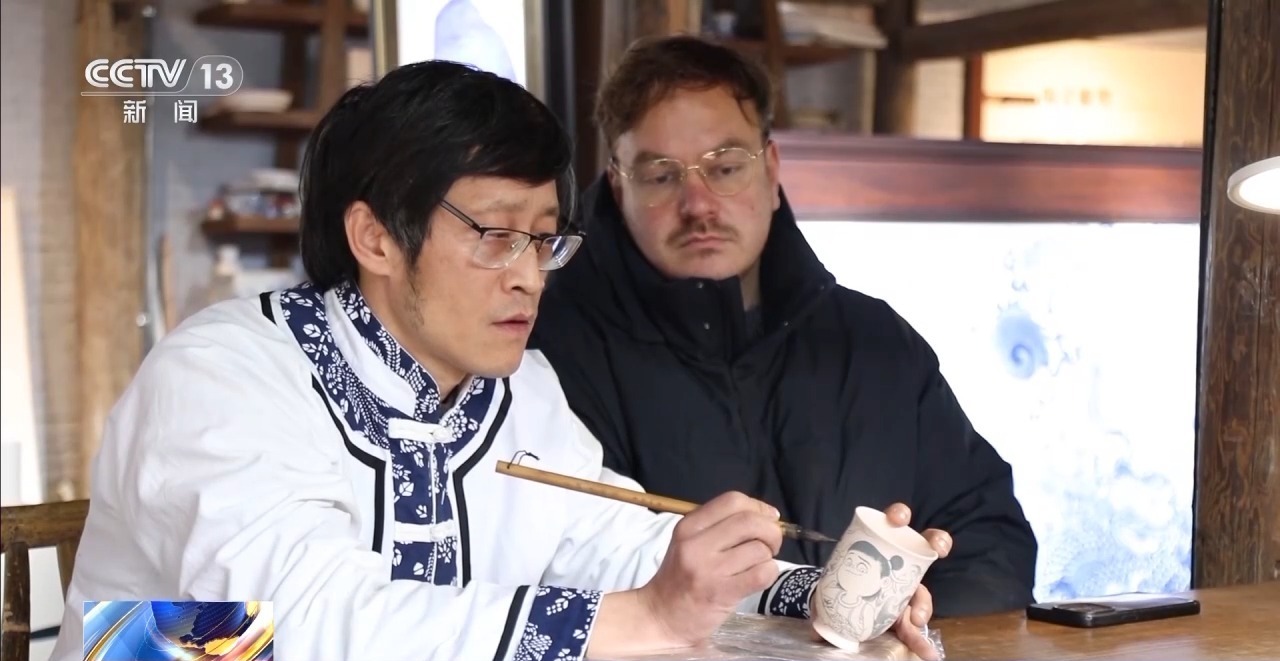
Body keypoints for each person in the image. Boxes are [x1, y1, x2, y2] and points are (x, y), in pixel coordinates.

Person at [50, 61, 946, 661]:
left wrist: (818, 591)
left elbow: (616, 542)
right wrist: (643, 617)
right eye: (495, 235)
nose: (528, 275)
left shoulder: (517, 389)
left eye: (545, 239)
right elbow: (288, 629)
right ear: (375, 236)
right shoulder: (221, 376)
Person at [529, 34, 1038, 618]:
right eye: (662, 176)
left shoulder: (873, 342)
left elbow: (991, 539)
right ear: (618, 186)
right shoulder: (549, 358)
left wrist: (903, 626)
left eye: (726, 168)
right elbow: (576, 578)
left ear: (771, 172)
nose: (699, 204)